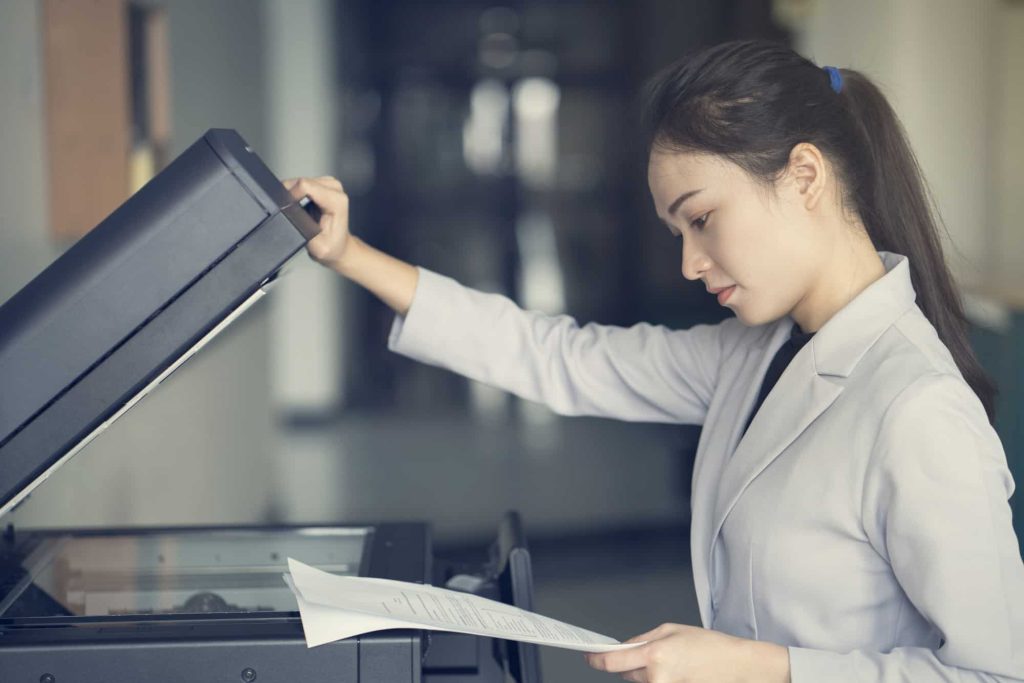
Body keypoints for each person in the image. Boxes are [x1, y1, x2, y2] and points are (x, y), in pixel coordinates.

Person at [286, 39, 1024, 682]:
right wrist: (348, 254)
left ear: (804, 176)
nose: (689, 262)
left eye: (701, 219)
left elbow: (997, 672)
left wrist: (758, 668)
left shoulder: (918, 409)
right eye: (678, 230)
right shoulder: (758, 353)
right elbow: (559, 357)